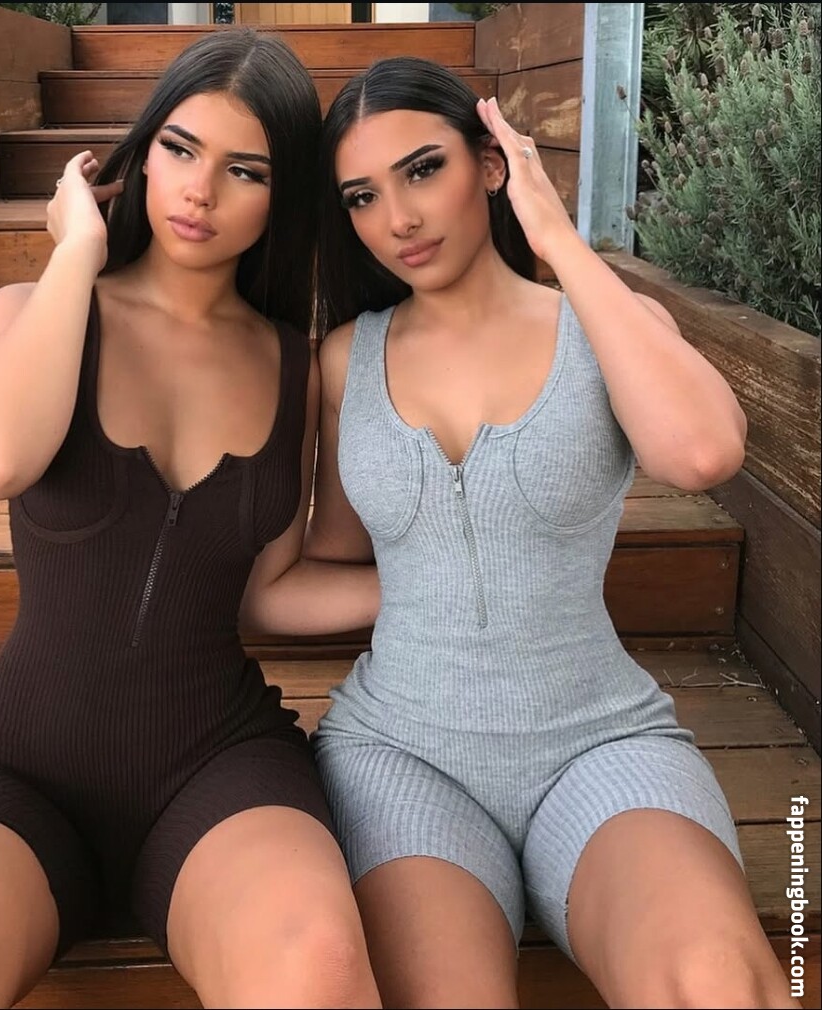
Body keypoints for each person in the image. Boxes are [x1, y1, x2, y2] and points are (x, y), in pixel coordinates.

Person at [0, 29, 382, 1010]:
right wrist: (76, 254)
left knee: (319, 971)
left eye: (244, 169)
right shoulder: (30, 313)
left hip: (217, 761)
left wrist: (447, 576)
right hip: (19, 764)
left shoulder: (294, 366)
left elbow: (268, 592)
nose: (199, 190)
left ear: (281, 194)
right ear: (142, 151)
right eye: (179, 147)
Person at [303, 56, 799, 1009]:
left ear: (492, 165)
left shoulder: (604, 325)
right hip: (402, 752)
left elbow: (702, 452)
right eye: (362, 196)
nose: (397, 218)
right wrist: (432, 587)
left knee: (718, 984)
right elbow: (321, 563)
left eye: (422, 170)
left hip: (598, 741)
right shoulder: (344, 360)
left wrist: (559, 240)